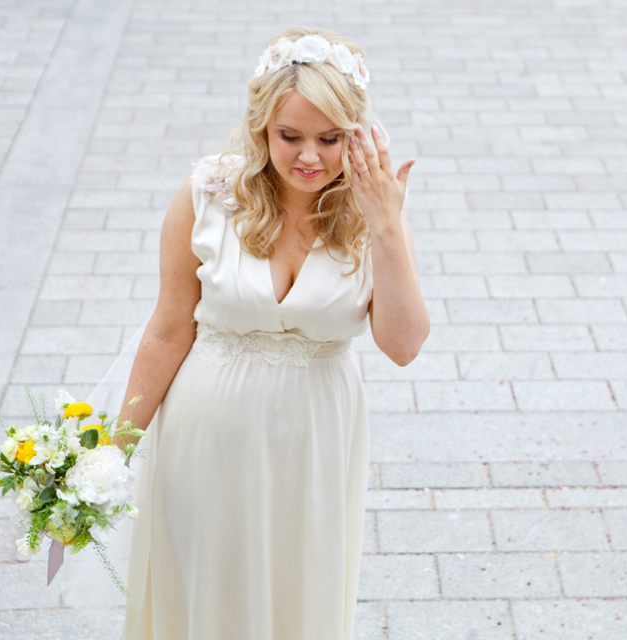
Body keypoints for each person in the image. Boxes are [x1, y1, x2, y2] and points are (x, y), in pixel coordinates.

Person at [111, 26, 430, 640]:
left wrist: (387, 227)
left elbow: (404, 344)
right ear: (262, 127)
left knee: (294, 595)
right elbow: (169, 328)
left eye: (329, 139)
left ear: (356, 134)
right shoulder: (207, 195)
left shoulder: (374, 212)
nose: (310, 157)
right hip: (207, 439)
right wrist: (111, 447)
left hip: (312, 444)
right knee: (206, 591)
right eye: (291, 136)